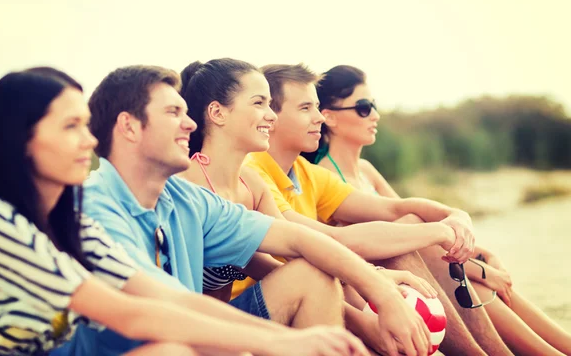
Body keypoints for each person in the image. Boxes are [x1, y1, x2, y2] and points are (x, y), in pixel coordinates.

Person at [59, 64, 431, 356]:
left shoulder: (185, 199)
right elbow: (163, 309)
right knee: (172, 351)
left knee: (311, 275)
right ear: (129, 126)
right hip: (154, 342)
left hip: (194, 333)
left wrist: (379, 291)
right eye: (174, 112)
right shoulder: (92, 208)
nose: (190, 124)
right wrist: (277, 342)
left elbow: (300, 239)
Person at [0, 67, 347, 356]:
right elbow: (131, 314)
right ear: (21, 140)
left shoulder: (69, 223)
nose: (88, 139)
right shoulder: (2, 224)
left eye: (85, 125)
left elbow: (173, 299)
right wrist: (278, 344)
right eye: (71, 126)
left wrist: (286, 340)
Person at [177, 59, 451, 355]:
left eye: (271, 104)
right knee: (313, 272)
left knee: (316, 269)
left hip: (229, 321)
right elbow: (303, 246)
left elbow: (283, 255)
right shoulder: (187, 186)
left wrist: (375, 281)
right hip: (189, 333)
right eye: (259, 103)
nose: (271, 116)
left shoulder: (250, 184)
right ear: (217, 113)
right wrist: (378, 289)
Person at [245, 63, 518, 356]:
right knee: (403, 241)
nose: (318, 117)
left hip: (322, 291)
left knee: (408, 228)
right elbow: (332, 241)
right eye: (305, 108)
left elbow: (393, 209)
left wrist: (456, 216)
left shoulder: (304, 171)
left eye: (316, 107)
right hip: (278, 303)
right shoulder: (253, 172)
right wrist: (438, 232)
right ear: (272, 118)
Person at [308, 64, 571, 356]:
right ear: (329, 117)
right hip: (377, 283)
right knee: (477, 283)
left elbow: (416, 228)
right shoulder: (324, 177)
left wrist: (480, 257)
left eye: (374, 106)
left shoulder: (366, 170)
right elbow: (398, 237)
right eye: (363, 107)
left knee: (479, 283)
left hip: (425, 271)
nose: (375, 115)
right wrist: (479, 269)